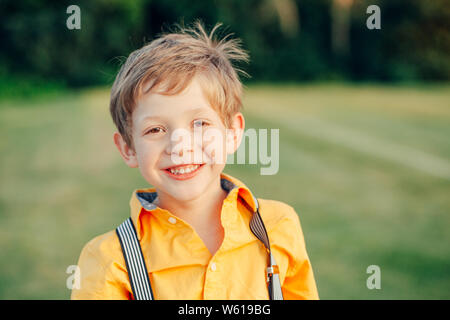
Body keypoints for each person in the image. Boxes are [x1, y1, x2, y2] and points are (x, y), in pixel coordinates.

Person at [71, 21, 319, 300]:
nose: (180, 145)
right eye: (155, 130)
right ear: (128, 147)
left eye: (200, 123)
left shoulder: (278, 227)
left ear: (233, 133)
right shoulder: (109, 261)